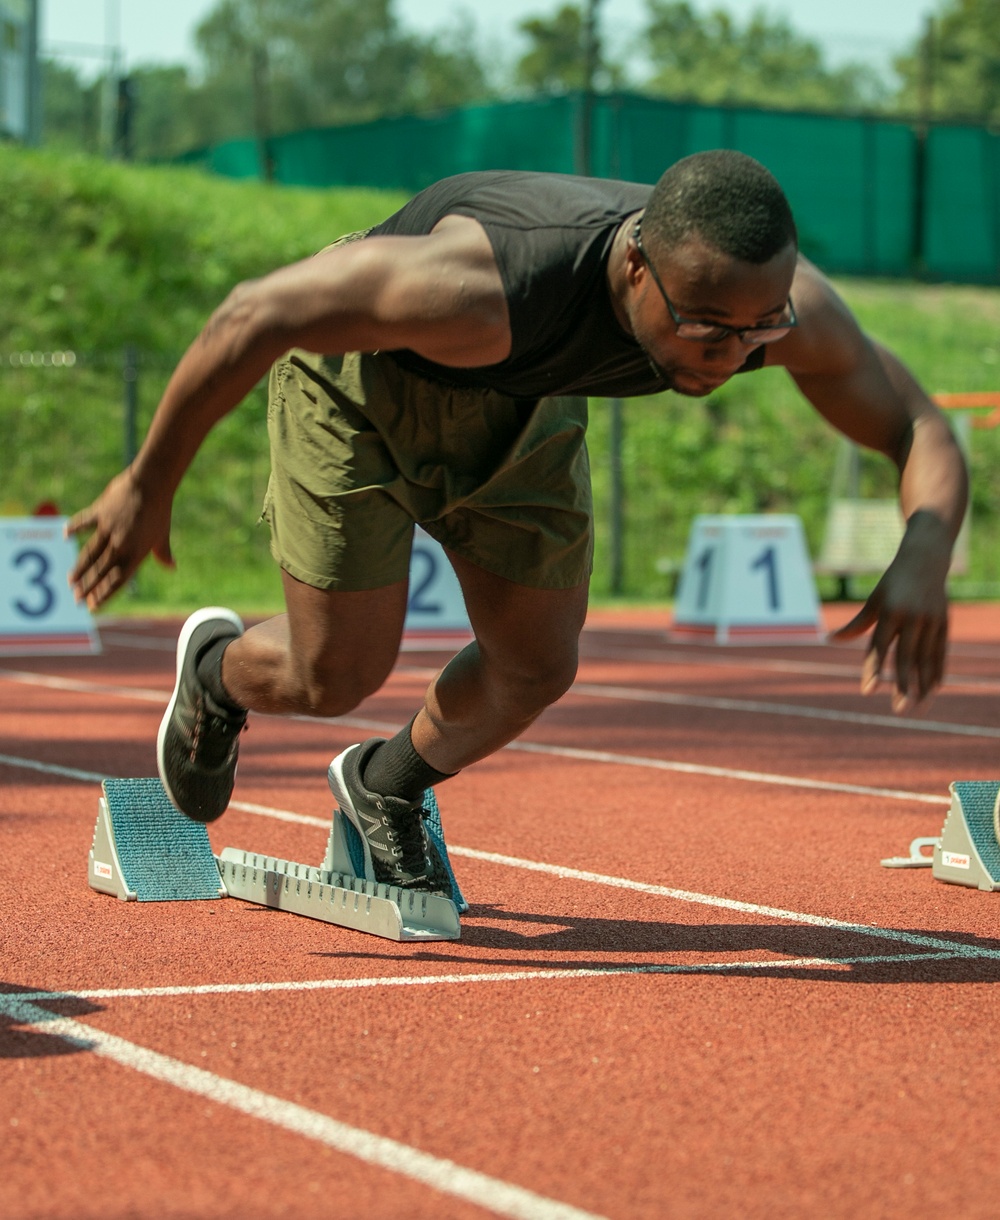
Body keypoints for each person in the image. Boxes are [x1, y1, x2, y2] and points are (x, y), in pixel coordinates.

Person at [67, 150, 968, 896]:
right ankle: (219, 678)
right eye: (703, 328)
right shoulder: (480, 281)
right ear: (635, 269)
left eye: (756, 331)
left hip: (523, 406)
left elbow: (916, 421)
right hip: (360, 387)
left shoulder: (771, 309)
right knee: (336, 672)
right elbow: (254, 313)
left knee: (538, 663)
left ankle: (385, 787)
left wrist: (926, 548)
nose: (730, 357)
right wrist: (149, 483)